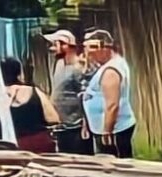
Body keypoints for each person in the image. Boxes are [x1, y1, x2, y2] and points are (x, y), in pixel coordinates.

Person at [81, 29, 136, 158]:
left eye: (93, 52)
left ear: (104, 48)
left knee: (113, 164)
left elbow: (112, 105)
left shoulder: (111, 71)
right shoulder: (109, 65)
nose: (90, 56)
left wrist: (107, 131)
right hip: (107, 127)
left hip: (114, 130)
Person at [43, 29, 94, 155]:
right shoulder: (59, 64)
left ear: (65, 45)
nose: (52, 48)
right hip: (61, 125)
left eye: (56, 44)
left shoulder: (79, 67)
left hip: (75, 126)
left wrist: (85, 124)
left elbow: (87, 96)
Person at [0, 56, 60, 153]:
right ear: (19, 73)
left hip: (15, 147)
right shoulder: (35, 91)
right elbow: (53, 118)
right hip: (41, 144)